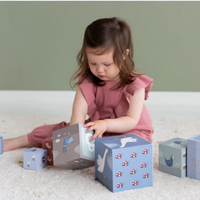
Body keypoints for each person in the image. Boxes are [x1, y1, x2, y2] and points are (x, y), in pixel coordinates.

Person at [3, 17, 154, 152]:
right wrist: (75, 137)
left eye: (107, 64)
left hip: (132, 131)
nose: (99, 70)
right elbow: (79, 115)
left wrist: (106, 124)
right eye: (93, 63)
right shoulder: (88, 82)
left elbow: (131, 121)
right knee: (65, 131)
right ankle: (22, 140)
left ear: (124, 56)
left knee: (125, 148)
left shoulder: (135, 85)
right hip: (99, 127)